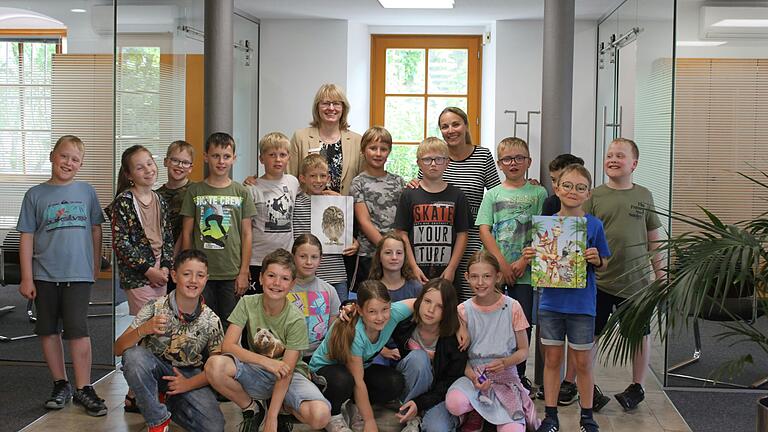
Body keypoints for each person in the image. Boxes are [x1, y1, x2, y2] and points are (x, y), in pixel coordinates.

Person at [17, 135, 108, 416]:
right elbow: (27, 237)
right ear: (52, 156)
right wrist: (27, 277)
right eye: (64, 156)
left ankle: (84, 387)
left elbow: (96, 230)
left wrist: (95, 265)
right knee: (47, 330)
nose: (68, 162)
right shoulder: (35, 194)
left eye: (75, 159)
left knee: (78, 331)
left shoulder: (87, 192)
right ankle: (61, 384)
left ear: (80, 165)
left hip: (79, 274)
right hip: (44, 274)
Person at [523, 164, 610, 432]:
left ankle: (586, 417)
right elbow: (538, 260)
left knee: (582, 362)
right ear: (557, 189)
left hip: (582, 305)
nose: (573, 191)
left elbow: (604, 260)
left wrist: (598, 259)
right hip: (550, 303)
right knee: (551, 360)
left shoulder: (593, 225)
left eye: (580, 187)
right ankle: (551, 416)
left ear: (588, 194)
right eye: (568, 186)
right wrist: (529, 257)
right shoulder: (545, 225)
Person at [205, 248, 331, 432]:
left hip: (289, 376)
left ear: (292, 284)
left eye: (285, 278)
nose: (277, 283)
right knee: (214, 365)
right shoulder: (247, 303)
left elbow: (285, 372)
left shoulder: (296, 319)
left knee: (320, 416)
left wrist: (272, 419)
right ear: (261, 278)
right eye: (271, 276)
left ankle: (282, 410)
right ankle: (252, 408)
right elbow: (228, 346)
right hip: (258, 371)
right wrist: (266, 362)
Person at [583, 138, 664, 412]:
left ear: (634, 164)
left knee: (639, 334)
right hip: (600, 281)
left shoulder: (644, 195)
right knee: (591, 335)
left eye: (620, 155)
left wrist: (661, 274)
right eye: (609, 155)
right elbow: (582, 235)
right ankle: (588, 384)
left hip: (636, 283)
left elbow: (654, 238)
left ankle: (637, 386)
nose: (613, 159)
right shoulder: (593, 196)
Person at [115, 249, 225, 432]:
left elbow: (219, 368)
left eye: (200, 275)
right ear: (174, 275)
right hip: (155, 368)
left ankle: (168, 402)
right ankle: (158, 421)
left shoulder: (212, 320)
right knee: (133, 356)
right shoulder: (154, 307)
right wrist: (144, 329)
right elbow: (118, 349)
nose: (193, 280)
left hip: (189, 374)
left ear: (206, 278)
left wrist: (189, 384)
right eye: (187, 274)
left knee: (214, 427)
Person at [476, 137, 547, 388]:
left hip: (525, 272)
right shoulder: (493, 194)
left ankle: (518, 374)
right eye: (507, 159)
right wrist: (502, 265)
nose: (513, 163)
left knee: (522, 323)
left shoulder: (539, 193)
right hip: (495, 271)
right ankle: (491, 371)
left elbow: (543, 231)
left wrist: (521, 263)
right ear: (499, 164)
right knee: (492, 321)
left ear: (529, 161)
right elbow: (485, 230)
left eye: (519, 158)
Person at [446, 250, 538, 432]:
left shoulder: (513, 307)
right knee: (455, 403)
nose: (480, 283)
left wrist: (505, 362)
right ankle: (474, 411)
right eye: (474, 277)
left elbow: (523, 351)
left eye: (487, 276)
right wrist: (473, 377)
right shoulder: (463, 310)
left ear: (498, 277)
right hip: (475, 374)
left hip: (505, 375)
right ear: (467, 277)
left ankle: (494, 414)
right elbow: (460, 357)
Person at [309, 280, 417, 432]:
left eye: (385, 309)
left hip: (356, 370)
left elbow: (421, 302)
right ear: (360, 310)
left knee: (394, 382)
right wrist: (370, 421)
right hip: (325, 372)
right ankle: (334, 415)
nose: (380, 317)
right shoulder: (356, 334)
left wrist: (460, 322)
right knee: (344, 380)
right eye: (372, 311)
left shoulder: (394, 313)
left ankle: (354, 405)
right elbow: (358, 382)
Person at [180, 132, 256, 323]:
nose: (221, 161)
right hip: (201, 273)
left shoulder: (241, 192)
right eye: (215, 156)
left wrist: (244, 271)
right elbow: (187, 233)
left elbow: (247, 234)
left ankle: (226, 355)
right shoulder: (195, 191)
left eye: (226, 156)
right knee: (200, 322)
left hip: (231, 272)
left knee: (229, 323)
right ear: (206, 157)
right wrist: (188, 267)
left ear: (234, 159)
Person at [430, 107, 502, 301]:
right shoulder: (436, 158)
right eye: (444, 126)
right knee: (443, 296)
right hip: (441, 238)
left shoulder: (483, 156)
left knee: (472, 293)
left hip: (472, 237)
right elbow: (424, 187)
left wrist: (522, 185)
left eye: (455, 124)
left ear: (466, 126)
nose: (451, 130)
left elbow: (498, 194)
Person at [391, 278, 468, 432]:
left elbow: (449, 383)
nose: (430, 310)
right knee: (419, 358)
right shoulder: (405, 323)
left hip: (437, 395)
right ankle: (411, 416)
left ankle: (450, 416)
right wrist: (348, 307)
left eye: (439, 306)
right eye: (427, 301)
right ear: (419, 301)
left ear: (447, 311)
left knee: (436, 428)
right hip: (407, 387)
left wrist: (420, 403)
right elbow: (375, 310)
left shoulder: (455, 340)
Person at [395, 137, 470, 288]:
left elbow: (463, 234)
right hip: (415, 272)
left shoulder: (457, 195)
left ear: (447, 162)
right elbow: (401, 233)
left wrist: (452, 268)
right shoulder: (409, 194)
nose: (434, 164)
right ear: (419, 163)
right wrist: (413, 266)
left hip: (447, 273)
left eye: (439, 159)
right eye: (427, 159)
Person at [109, 145, 173, 316]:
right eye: (139, 167)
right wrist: (148, 270)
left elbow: (167, 238)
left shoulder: (160, 200)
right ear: (129, 175)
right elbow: (121, 243)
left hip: (160, 270)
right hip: (139, 273)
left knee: (160, 320)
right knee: (144, 323)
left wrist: (165, 267)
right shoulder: (124, 202)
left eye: (150, 163)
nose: (148, 170)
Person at [293, 154, 358, 302]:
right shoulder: (294, 202)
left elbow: (344, 232)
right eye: (313, 176)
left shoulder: (336, 202)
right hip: (305, 274)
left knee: (340, 319)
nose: (318, 180)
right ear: (302, 178)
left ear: (328, 178)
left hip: (336, 274)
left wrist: (354, 243)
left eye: (322, 176)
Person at [350, 126, 405, 293]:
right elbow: (363, 221)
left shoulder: (398, 181)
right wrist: (385, 248)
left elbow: (403, 218)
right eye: (373, 148)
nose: (378, 153)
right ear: (363, 150)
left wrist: (393, 251)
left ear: (389, 152)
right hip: (369, 254)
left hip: (395, 254)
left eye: (383, 149)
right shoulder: (358, 182)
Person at [247, 132, 300, 294]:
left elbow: (311, 194)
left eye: (282, 155)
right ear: (261, 158)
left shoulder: (293, 182)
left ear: (288, 158)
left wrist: (329, 194)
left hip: (286, 258)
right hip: (258, 259)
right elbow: (246, 230)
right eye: (272, 155)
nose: (278, 159)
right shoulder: (252, 188)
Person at [288, 83, 363, 195]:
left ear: (343, 108)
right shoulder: (300, 138)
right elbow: (289, 179)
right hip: (307, 209)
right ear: (317, 107)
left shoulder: (357, 141)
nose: (331, 108)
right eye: (326, 103)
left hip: (344, 209)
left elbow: (364, 182)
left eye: (336, 104)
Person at [368, 232, 423, 365]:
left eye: (399, 253)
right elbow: (362, 329)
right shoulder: (370, 289)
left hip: (409, 350)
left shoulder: (416, 288)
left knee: (420, 361)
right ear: (379, 257)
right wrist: (383, 350)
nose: (394, 257)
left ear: (405, 257)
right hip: (377, 350)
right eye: (388, 253)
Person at [289, 234, 341, 358]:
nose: (308, 262)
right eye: (302, 256)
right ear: (293, 257)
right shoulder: (283, 289)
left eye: (314, 257)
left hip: (319, 355)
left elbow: (333, 332)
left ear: (320, 259)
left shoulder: (329, 291)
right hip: (288, 354)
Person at [156, 140, 196, 276]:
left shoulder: (197, 191)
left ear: (191, 167)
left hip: (188, 259)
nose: (180, 166)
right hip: (159, 260)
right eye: (175, 160)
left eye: (185, 162)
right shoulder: (156, 196)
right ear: (166, 161)